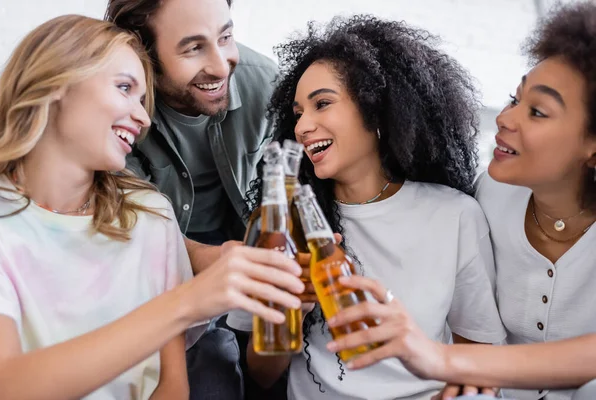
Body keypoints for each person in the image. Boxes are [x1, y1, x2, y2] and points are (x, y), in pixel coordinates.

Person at [0, 15, 305, 400]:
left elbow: (170, 385)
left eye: (143, 101)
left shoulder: (150, 216)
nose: (143, 119)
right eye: (124, 88)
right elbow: (6, 384)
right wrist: (187, 301)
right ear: (57, 82)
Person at [324, 3, 596, 400]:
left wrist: (442, 360)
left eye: (537, 111)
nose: (505, 117)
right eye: (513, 98)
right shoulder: (490, 196)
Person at [228, 15, 506, 400]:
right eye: (297, 113)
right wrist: (295, 308)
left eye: (322, 104)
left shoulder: (455, 215)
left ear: (375, 110)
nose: (303, 126)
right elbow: (259, 375)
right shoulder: (282, 225)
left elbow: (477, 356)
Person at [105, 0, 278, 253]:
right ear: (142, 50)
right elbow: (132, 226)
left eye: (225, 37)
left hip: (241, 237)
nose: (221, 68)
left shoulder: (267, 84)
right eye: (194, 48)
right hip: (155, 251)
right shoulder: (115, 111)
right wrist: (207, 259)